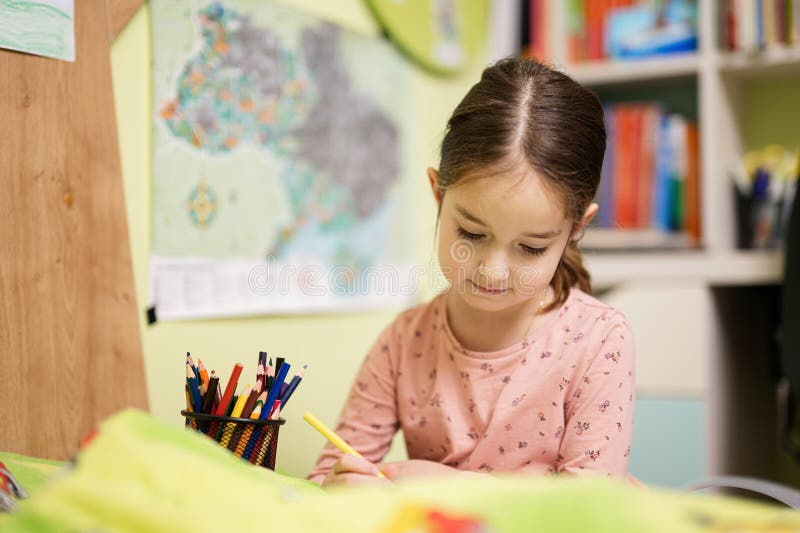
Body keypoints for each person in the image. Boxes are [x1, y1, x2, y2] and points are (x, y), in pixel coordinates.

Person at [308, 56, 635, 486]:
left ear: (576, 230)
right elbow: (324, 478)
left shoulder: (598, 341)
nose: (494, 272)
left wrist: (441, 484)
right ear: (437, 194)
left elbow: (589, 508)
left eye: (531, 247)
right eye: (472, 233)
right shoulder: (404, 343)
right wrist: (342, 485)